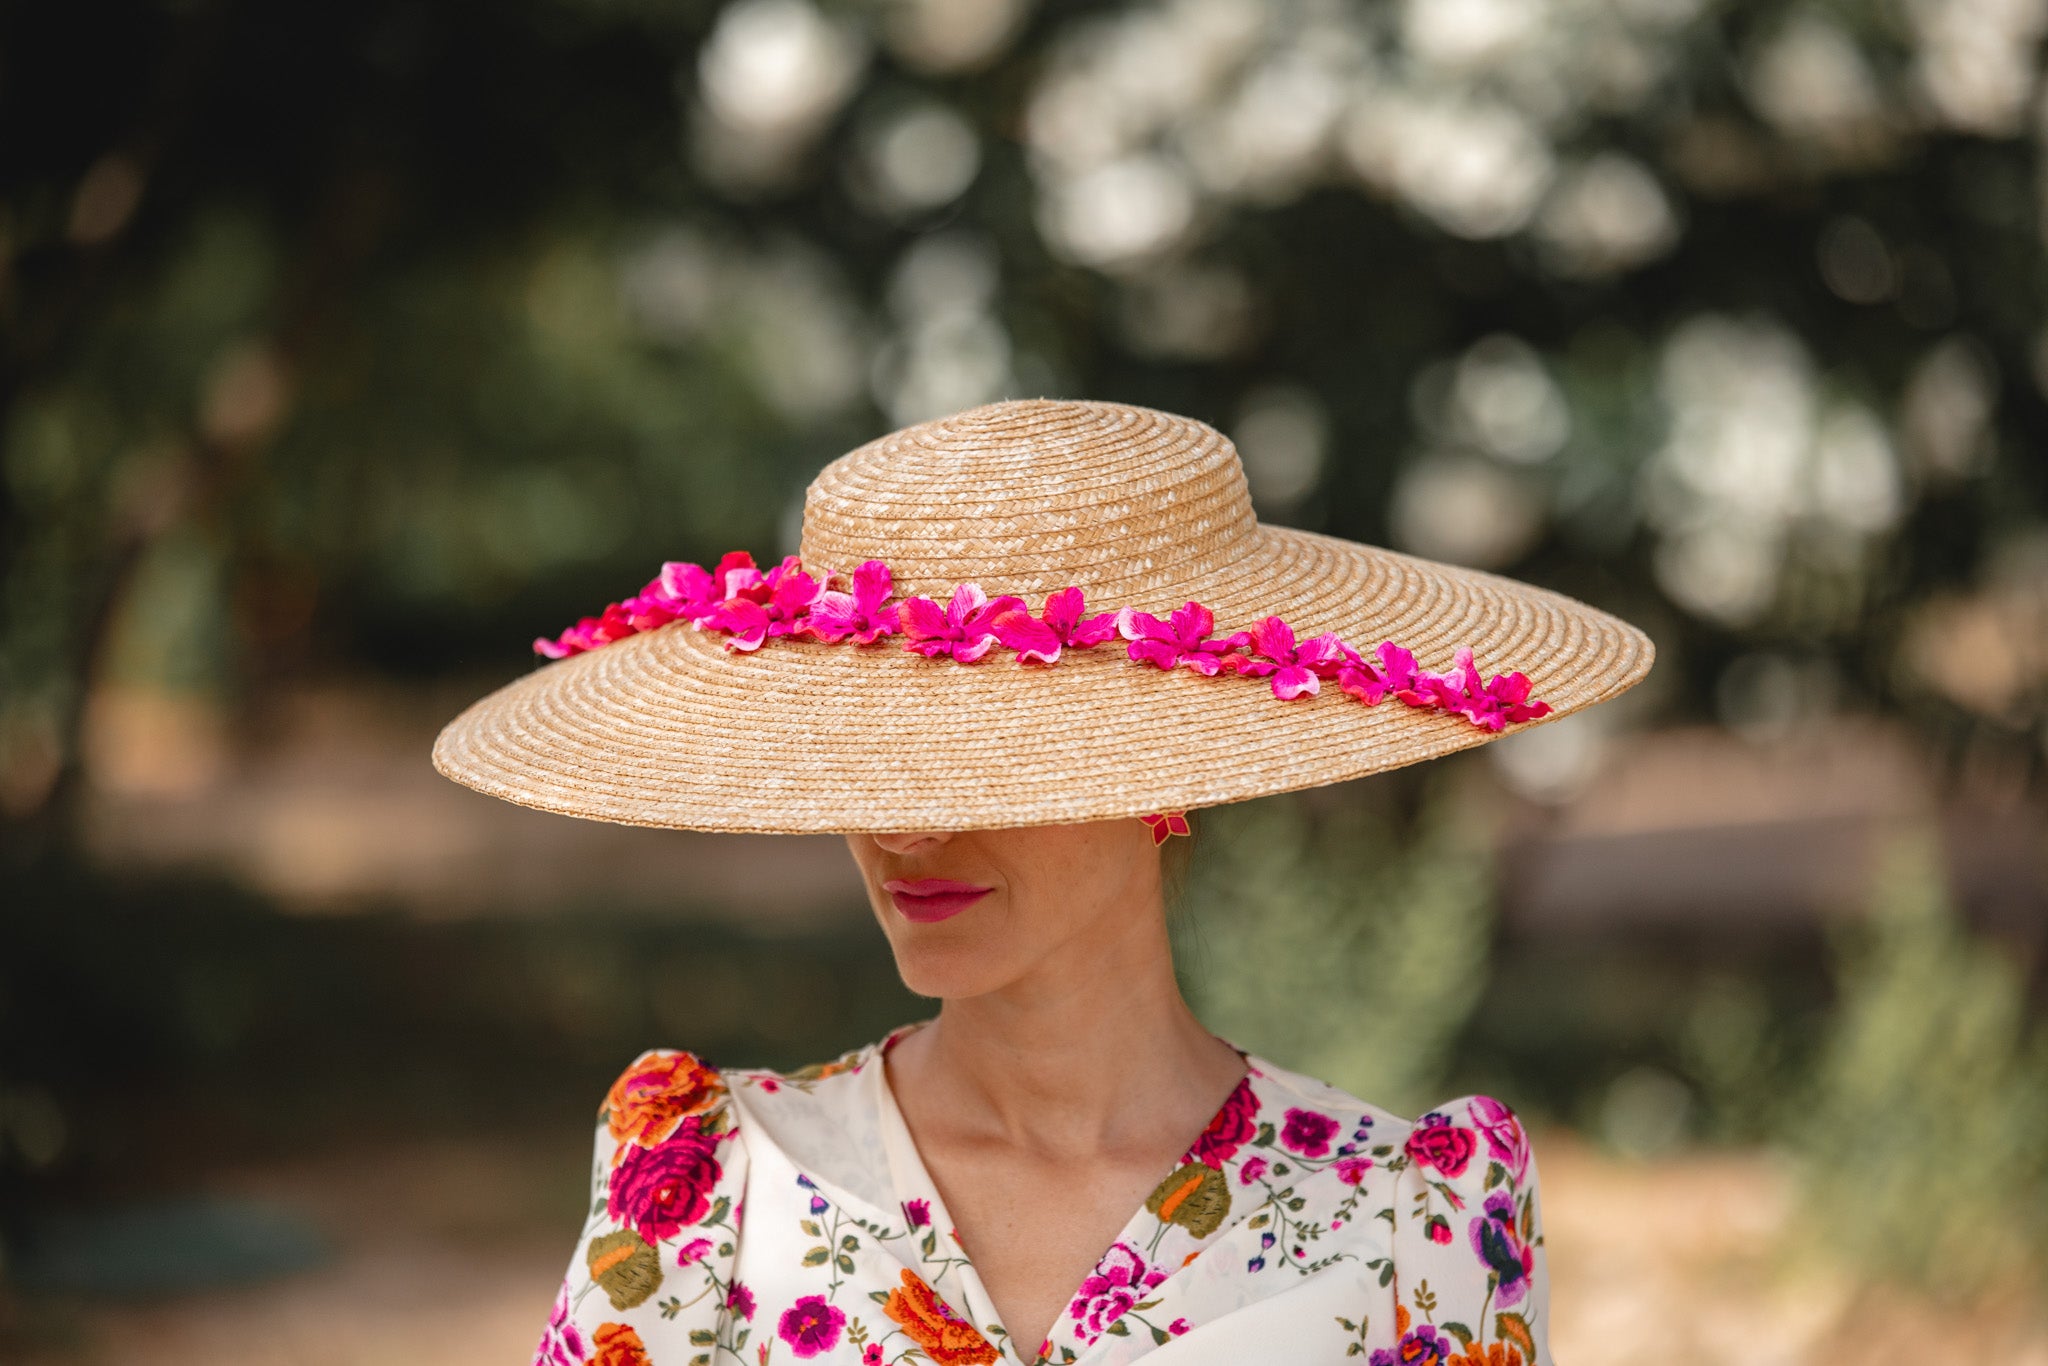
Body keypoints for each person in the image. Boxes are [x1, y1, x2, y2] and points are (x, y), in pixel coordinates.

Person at [432, 399, 1653, 1365]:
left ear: (1161, 772)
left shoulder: (1404, 1217)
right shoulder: (711, 1186)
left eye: (988, 763)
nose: (907, 828)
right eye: (865, 756)